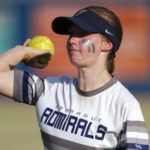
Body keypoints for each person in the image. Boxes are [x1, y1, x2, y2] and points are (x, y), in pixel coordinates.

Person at [0, 5, 149, 150]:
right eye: (71, 34)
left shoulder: (125, 105)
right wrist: (21, 52)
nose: (72, 40)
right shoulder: (47, 89)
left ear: (107, 44)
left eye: (82, 33)